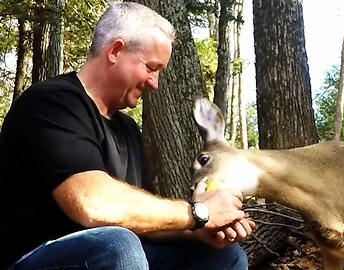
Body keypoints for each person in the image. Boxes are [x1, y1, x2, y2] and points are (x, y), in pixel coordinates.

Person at [0, 2, 255, 269]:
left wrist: (200, 227)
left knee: (225, 257)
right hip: (28, 259)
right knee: (118, 245)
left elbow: (143, 223)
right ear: (116, 50)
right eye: (151, 67)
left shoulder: (129, 131)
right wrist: (198, 212)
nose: (155, 84)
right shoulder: (52, 103)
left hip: (109, 255)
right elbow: (93, 203)